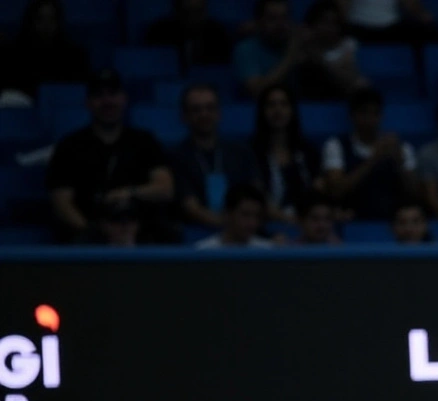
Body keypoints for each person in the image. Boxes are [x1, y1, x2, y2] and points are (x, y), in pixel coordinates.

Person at [46, 69, 175, 244]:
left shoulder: (145, 141)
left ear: (124, 99)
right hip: (89, 235)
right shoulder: (69, 146)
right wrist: (95, 233)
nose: (107, 101)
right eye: (99, 95)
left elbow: (164, 188)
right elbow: (62, 204)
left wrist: (127, 194)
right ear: (88, 102)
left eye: (113, 94)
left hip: (140, 235)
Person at [170, 84, 261, 229]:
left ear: (219, 112)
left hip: (243, 233)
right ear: (184, 116)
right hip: (197, 236)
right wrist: (230, 226)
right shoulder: (176, 156)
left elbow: (255, 195)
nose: (204, 114)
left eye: (210, 108)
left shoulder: (241, 151)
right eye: (196, 109)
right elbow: (190, 207)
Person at [322, 87, 418, 220]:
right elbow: (336, 191)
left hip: (394, 225)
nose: (370, 120)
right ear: (352, 115)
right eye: (364, 113)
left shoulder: (402, 148)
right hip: (351, 222)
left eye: (375, 114)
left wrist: (399, 164)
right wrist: (373, 160)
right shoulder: (336, 146)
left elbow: (414, 194)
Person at [252, 83, 324, 222]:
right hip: (265, 228)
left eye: (284, 104)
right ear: (262, 111)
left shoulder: (309, 152)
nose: (278, 110)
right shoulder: (251, 153)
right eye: (271, 105)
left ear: (292, 110)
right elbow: (256, 200)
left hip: (307, 228)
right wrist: (289, 220)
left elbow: (317, 193)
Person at [0, 0, 90, 102]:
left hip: (62, 105)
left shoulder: (75, 55)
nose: (46, 25)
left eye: (51, 19)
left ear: (58, 22)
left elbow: (77, 89)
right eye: (40, 19)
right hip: (22, 105)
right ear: (30, 21)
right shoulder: (13, 54)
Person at [142, 0, 234, 69]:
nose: (193, 18)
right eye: (188, 12)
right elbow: (152, 64)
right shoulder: (158, 32)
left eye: (197, 12)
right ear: (177, 11)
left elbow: (220, 67)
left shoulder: (217, 33)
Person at [193, 184, 276, 248]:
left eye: (257, 216)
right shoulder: (202, 252)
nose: (252, 223)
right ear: (228, 214)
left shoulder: (267, 251)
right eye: (245, 214)